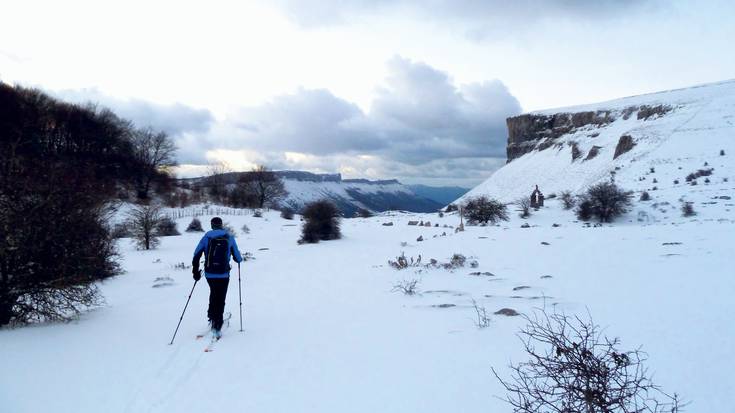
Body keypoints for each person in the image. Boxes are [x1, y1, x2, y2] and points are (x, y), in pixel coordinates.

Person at [192, 217, 243, 337]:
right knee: (220, 297)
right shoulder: (229, 237)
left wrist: (195, 272)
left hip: (209, 274)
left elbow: (196, 254)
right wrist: (238, 258)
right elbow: (237, 257)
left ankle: (211, 316)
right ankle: (217, 324)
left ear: (212, 225)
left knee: (213, 293)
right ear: (221, 225)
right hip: (223, 274)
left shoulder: (206, 237)